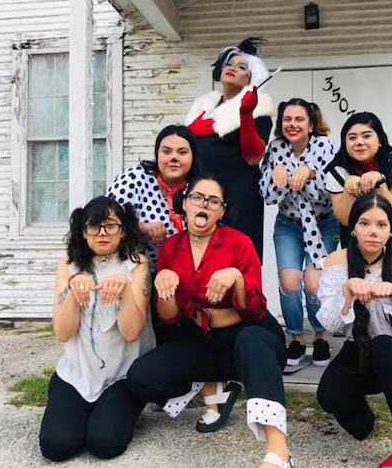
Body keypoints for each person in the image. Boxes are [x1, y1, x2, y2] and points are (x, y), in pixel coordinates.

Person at [125, 176, 293, 468]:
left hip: (251, 336)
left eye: (213, 201)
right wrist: (164, 285)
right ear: (185, 204)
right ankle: (214, 387)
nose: (204, 204)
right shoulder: (171, 249)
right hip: (204, 339)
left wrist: (236, 278)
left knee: (251, 340)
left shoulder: (239, 243)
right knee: (142, 376)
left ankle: (279, 453)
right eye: (197, 197)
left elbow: (254, 312)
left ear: (222, 211)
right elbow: (170, 318)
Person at [315, 194, 392, 468]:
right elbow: (331, 326)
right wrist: (346, 297)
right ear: (353, 229)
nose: (373, 231)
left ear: (391, 231)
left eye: (381, 225)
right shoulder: (336, 263)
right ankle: (367, 425)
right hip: (360, 352)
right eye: (364, 223)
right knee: (329, 394)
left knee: (384, 343)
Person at [39, 196, 155, 461]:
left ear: (123, 230)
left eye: (111, 225)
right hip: (76, 373)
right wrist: (71, 291)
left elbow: (131, 332)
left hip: (121, 375)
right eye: (94, 226)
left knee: (105, 444)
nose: (102, 233)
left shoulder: (136, 264)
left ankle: (110, 410)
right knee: (57, 446)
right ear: (83, 231)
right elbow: (63, 333)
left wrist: (125, 291)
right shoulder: (69, 264)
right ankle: (80, 409)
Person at [259, 98, 338, 367]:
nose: (293, 125)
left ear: (311, 123)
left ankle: (319, 336)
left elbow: (329, 192)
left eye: (299, 119)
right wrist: (275, 173)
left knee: (314, 282)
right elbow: (267, 196)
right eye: (287, 120)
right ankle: (294, 338)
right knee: (289, 280)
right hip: (289, 224)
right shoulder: (276, 149)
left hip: (322, 223)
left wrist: (311, 173)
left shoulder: (324, 146)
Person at [185, 37, 274, 260]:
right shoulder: (203, 107)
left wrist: (245, 116)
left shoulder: (258, 109)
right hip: (202, 195)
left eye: (241, 66)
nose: (232, 68)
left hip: (239, 199)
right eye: (229, 63)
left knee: (238, 264)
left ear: (251, 78)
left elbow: (254, 156)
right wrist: (190, 130)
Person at [106, 124, 200, 271]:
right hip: (131, 269)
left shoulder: (200, 188)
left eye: (182, 152)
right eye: (166, 151)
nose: (174, 157)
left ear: (193, 157)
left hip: (186, 273)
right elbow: (105, 221)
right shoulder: (134, 178)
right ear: (157, 155)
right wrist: (141, 227)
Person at [325, 112, 392, 255]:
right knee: (358, 275)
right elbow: (345, 220)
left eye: (367, 136)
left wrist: (379, 182)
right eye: (352, 138)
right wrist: (350, 188)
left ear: (380, 140)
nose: (359, 142)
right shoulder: (337, 171)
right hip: (356, 232)